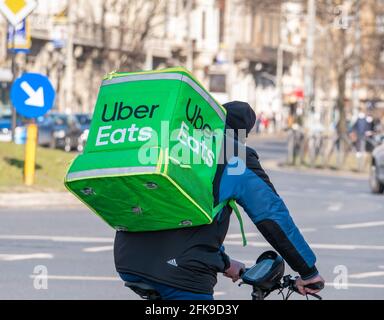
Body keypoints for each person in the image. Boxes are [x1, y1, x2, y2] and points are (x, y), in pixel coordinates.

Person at [114, 101, 324, 300]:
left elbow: (184, 213)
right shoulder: (235, 156)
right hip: (180, 272)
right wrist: (308, 271)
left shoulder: (176, 143)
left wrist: (224, 263)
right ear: (243, 134)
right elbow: (272, 215)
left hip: (128, 259)